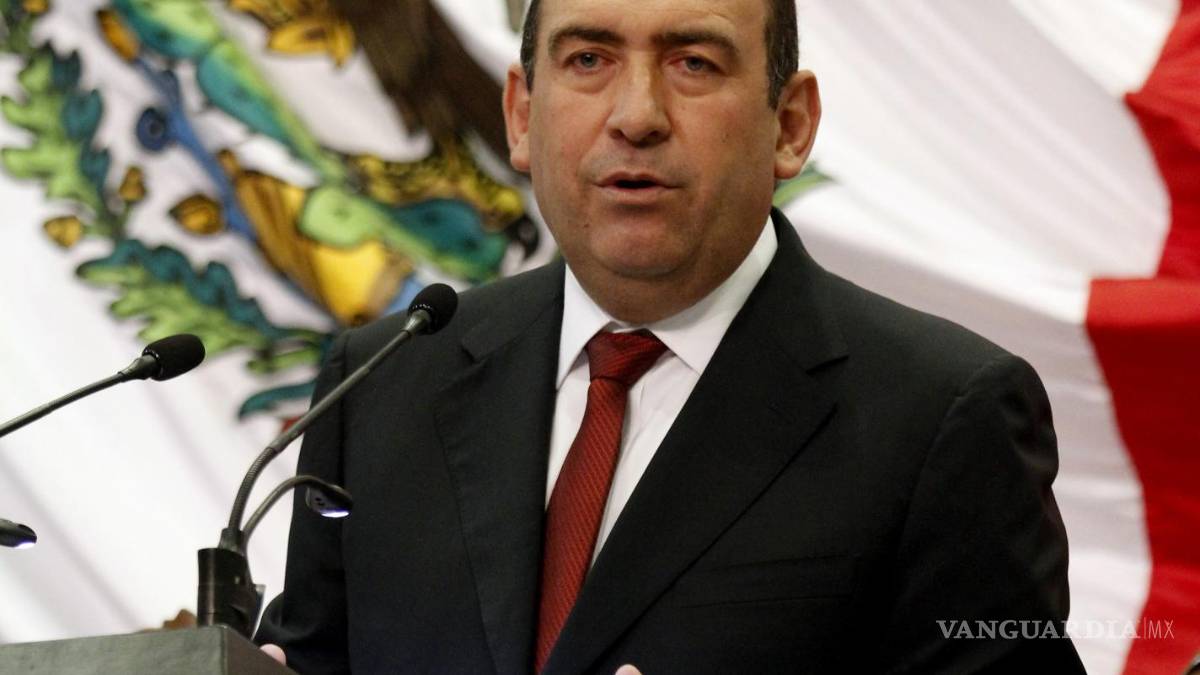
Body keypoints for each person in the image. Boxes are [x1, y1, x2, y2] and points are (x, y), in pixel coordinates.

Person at [256, 0, 1086, 672]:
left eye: (694, 63)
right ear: (521, 114)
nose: (637, 116)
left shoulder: (943, 418)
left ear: (790, 124)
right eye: (589, 59)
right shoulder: (383, 382)